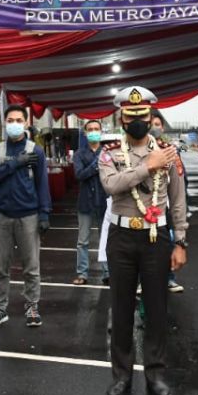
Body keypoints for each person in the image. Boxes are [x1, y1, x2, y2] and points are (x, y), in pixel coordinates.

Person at [99, 86, 188, 395]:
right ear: (121, 118)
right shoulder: (109, 152)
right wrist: (147, 166)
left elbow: (178, 200)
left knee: (156, 308)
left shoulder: (169, 152)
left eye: (143, 115)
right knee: (121, 309)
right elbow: (111, 186)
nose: (137, 120)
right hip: (122, 237)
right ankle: (121, 376)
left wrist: (180, 241)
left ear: (152, 117)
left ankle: (156, 374)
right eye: (130, 115)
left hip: (156, 237)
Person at [0, 105, 51, 327]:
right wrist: (15, 163)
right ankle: (0, 308)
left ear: (25, 121)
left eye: (18, 119)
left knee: (31, 266)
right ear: (5, 122)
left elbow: (42, 184)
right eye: (10, 119)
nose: (14, 123)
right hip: (2, 216)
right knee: (0, 267)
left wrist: (44, 213)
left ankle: (32, 307)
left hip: (29, 216)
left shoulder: (36, 151)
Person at [150, 110, 186, 293]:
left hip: (165, 210)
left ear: (162, 127)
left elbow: (179, 184)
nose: (154, 128)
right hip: (144, 213)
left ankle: (169, 278)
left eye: (157, 125)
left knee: (169, 244)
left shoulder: (170, 151)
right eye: (151, 124)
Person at [72, 119, 108, 285]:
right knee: (83, 241)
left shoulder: (107, 152)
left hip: (104, 201)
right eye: (90, 129)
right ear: (85, 133)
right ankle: (82, 273)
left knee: (105, 238)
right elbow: (79, 175)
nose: (93, 131)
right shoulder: (79, 154)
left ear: (101, 132)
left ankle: (108, 272)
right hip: (85, 202)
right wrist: (96, 164)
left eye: (96, 129)